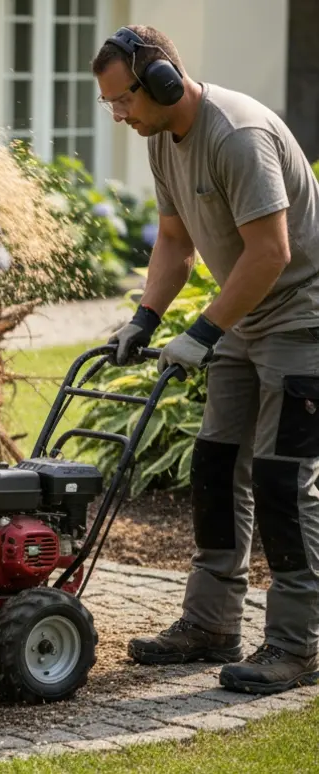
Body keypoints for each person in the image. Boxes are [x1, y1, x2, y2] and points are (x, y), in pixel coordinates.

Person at [95, 24, 319, 695]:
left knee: (283, 483)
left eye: (123, 100)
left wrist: (203, 331)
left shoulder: (238, 135)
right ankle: (211, 625)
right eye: (109, 104)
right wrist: (145, 318)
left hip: (301, 322)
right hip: (243, 319)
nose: (119, 114)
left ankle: (296, 646)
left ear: (162, 80)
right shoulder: (164, 138)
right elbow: (173, 239)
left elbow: (271, 253)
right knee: (217, 468)